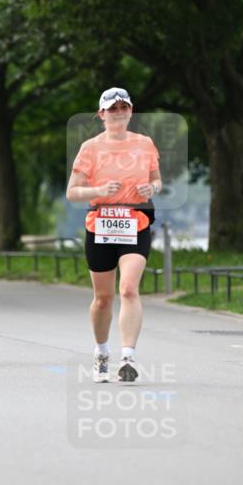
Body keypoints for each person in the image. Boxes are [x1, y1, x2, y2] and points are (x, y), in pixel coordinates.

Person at [66, 87, 162, 383]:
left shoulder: (145, 144)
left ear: (131, 111)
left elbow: (157, 180)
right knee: (103, 298)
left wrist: (152, 188)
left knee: (129, 289)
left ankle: (127, 357)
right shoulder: (90, 148)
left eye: (124, 107)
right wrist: (98, 191)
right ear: (101, 114)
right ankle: (101, 351)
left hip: (135, 221)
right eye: (113, 108)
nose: (119, 112)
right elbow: (72, 192)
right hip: (101, 224)